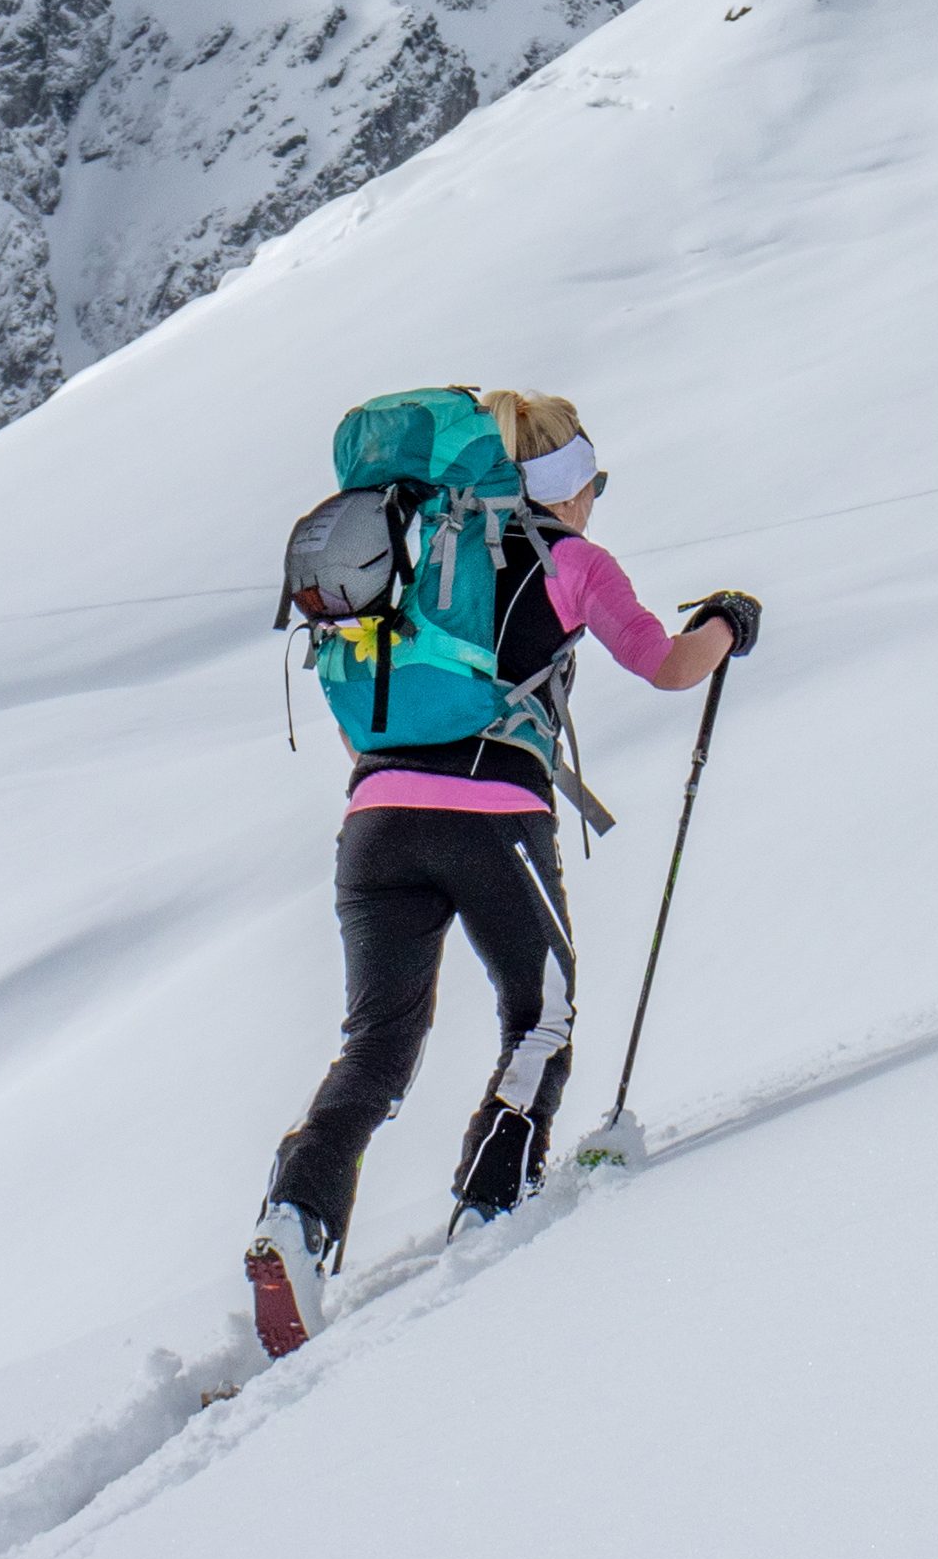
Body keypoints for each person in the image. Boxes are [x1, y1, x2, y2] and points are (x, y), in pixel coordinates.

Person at [247, 391, 756, 1353]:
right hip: (492, 818)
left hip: (375, 819)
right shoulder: (573, 561)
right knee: (542, 1016)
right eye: (593, 481)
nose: (597, 498)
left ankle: (296, 1220)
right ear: (569, 481)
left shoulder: (413, 560)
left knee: (377, 1045)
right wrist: (728, 620)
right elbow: (669, 667)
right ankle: (493, 1205)